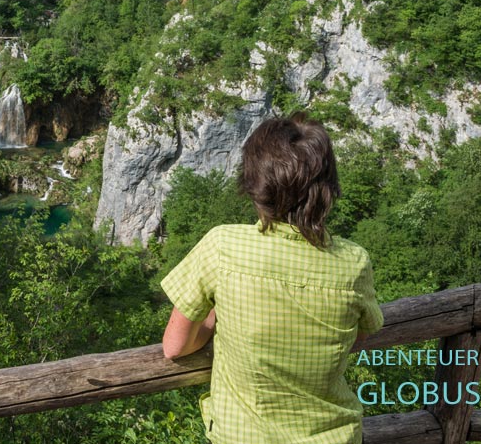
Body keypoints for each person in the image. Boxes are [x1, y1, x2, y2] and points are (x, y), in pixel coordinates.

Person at [160, 114, 384, 444]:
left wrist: (219, 316)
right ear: (328, 189)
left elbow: (175, 347)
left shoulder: (223, 246)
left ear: (255, 185)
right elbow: (359, 336)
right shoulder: (353, 263)